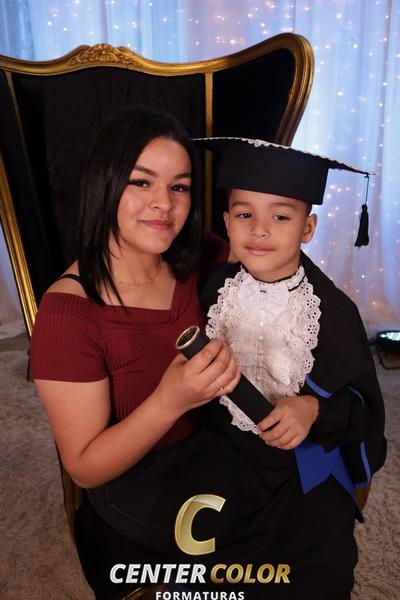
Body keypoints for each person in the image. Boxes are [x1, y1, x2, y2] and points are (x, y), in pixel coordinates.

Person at [29, 106, 241, 600]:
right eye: (141, 182)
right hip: (135, 488)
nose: (163, 204)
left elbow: (267, 260)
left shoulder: (196, 254)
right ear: (105, 184)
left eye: (179, 187)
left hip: (215, 452)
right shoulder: (68, 315)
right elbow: (84, 466)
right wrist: (170, 401)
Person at [186, 137, 386, 599]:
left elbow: (364, 411)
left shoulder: (332, 313)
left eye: (280, 216)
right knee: (196, 551)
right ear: (226, 223)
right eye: (244, 215)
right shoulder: (214, 289)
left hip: (300, 466)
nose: (259, 230)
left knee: (314, 562)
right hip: (224, 451)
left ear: (307, 227)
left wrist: (313, 409)